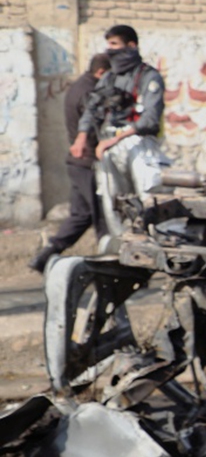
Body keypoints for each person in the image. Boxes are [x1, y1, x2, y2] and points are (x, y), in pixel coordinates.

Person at [79, 24, 169, 246]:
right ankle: (125, 246)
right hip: (109, 147)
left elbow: (149, 120)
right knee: (114, 202)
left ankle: (160, 244)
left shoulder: (148, 77)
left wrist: (115, 139)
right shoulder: (109, 78)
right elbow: (92, 108)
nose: (110, 50)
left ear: (131, 46)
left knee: (149, 196)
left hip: (139, 143)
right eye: (108, 45)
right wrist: (81, 137)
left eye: (115, 44)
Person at [28, 53, 112, 273]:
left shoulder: (80, 86)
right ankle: (111, 267)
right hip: (88, 162)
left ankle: (45, 256)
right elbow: (92, 125)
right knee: (103, 216)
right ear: (102, 72)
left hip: (78, 163)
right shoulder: (89, 92)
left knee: (81, 216)